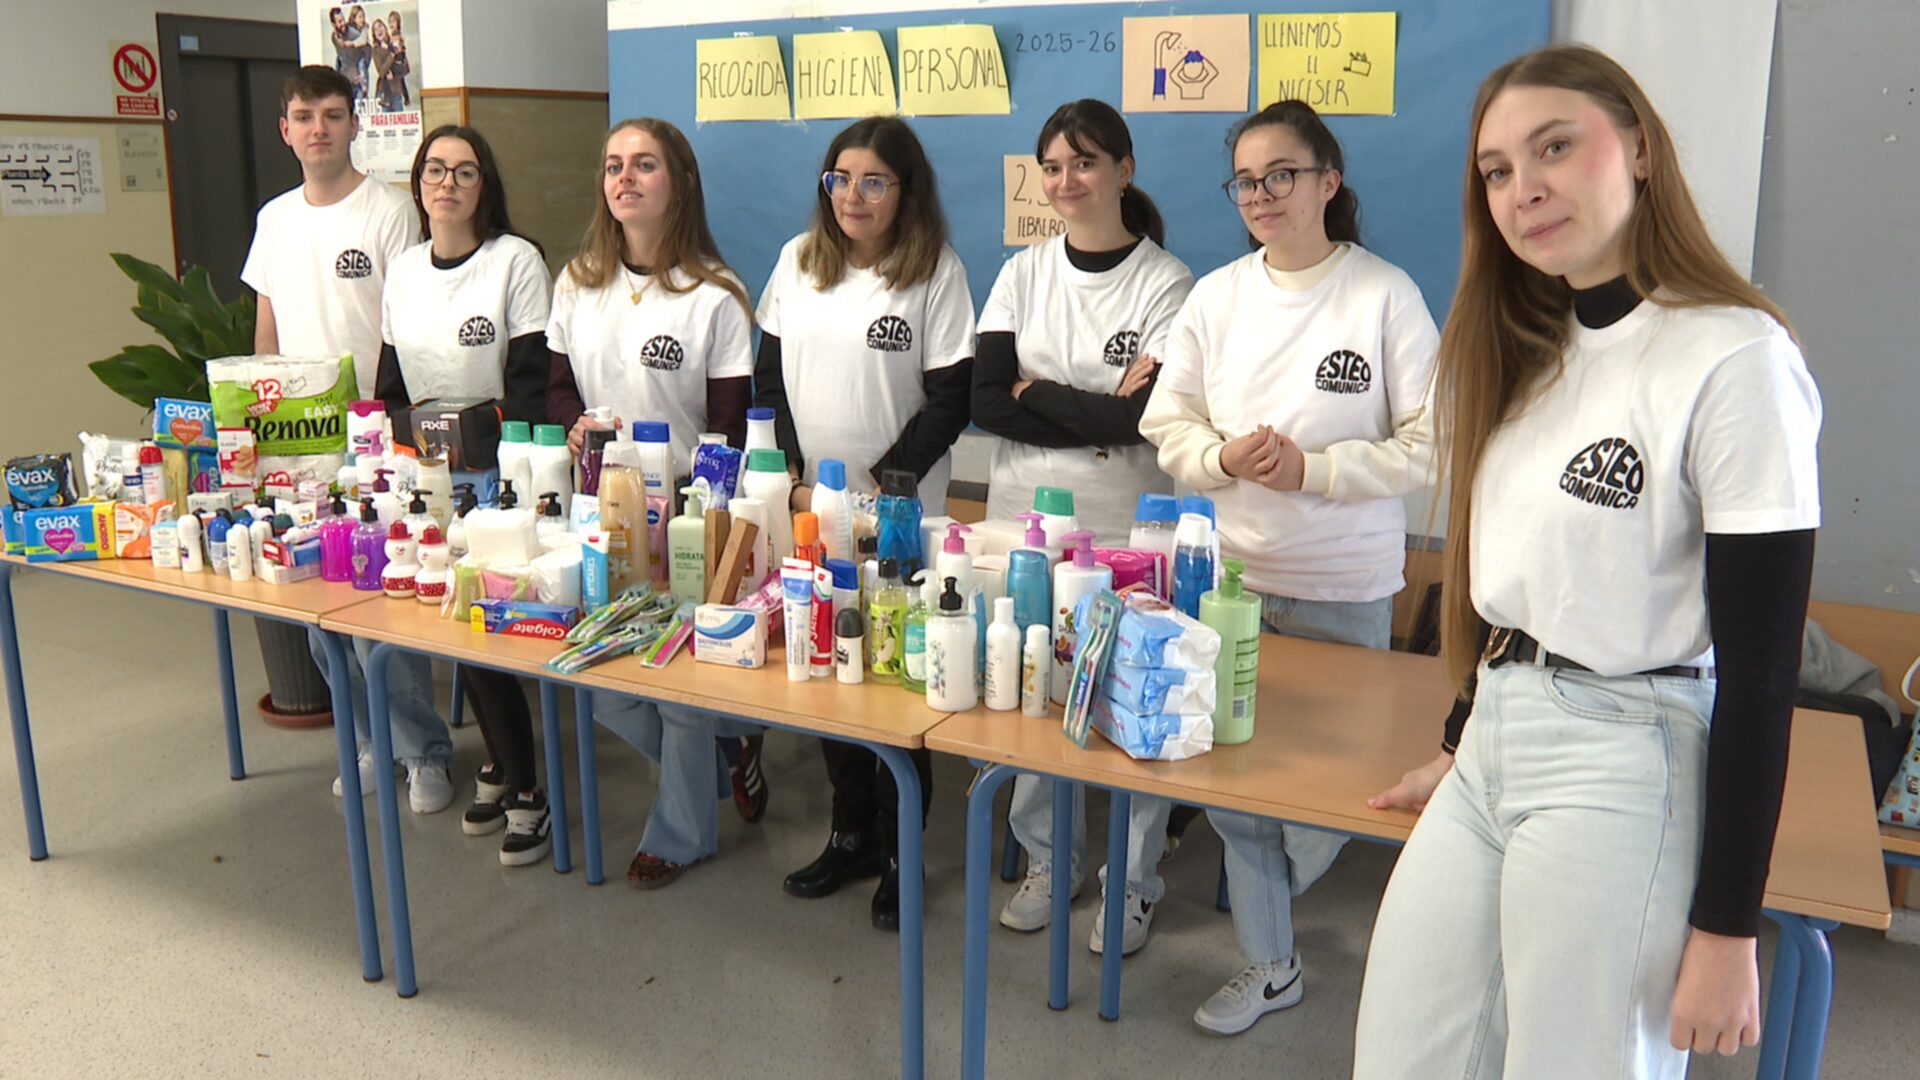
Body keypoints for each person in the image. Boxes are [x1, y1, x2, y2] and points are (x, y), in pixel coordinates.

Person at [1353, 45, 1820, 1077]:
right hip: (1495, 749)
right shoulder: (1526, 348)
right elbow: (1525, 592)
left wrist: (1727, 927)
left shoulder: (1733, 355)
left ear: (1641, 149)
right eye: (1497, 171)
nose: (1525, 190)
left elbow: (1762, 672)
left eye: (1554, 147)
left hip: (1625, 756)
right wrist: (1469, 735)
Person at [1139, 99, 1440, 1035]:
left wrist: (1315, 470)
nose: (1261, 194)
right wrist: (1221, 460)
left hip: (1344, 587)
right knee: (1236, 788)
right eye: (1246, 180)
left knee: (1331, 799)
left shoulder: (1384, 294)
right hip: (1229, 580)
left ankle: (1274, 888)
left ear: (1328, 180)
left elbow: (1433, 443)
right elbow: (1166, 420)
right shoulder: (1218, 296)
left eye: (1282, 175)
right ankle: (1274, 965)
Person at [970, 99, 1194, 955]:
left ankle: (1132, 883)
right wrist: (1095, 409)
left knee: (1133, 702)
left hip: (1127, 529)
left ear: (1125, 170)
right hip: (1023, 524)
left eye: (1086, 163)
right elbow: (989, 402)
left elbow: (1142, 425)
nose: (1067, 182)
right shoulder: (1022, 274)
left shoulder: (1169, 283)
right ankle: (1046, 858)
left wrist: (1046, 396)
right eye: (1053, 167)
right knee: (1033, 692)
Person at [757, 116, 974, 931]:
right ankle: (848, 832)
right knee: (828, 672)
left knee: (894, 687)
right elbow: (770, 378)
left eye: (874, 180)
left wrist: (884, 490)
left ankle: (898, 853)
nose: (853, 195)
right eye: (839, 178)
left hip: (900, 518)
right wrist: (794, 480)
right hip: (815, 515)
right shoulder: (796, 262)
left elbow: (950, 399)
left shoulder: (935, 274)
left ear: (904, 192)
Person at [545, 117, 766, 888]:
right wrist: (572, 426)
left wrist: (702, 516)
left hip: (682, 516)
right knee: (588, 663)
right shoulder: (577, 280)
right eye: (613, 165)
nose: (625, 178)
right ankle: (724, 747)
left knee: (675, 682)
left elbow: (730, 427)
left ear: (681, 182)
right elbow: (558, 385)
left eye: (644, 164)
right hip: (597, 510)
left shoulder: (716, 297)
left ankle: (678, 833)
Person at [241, 66, 453, 814]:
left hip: (374, 446)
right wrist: (253, 428)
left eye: (333, 114)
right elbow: (266, 327)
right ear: (286, 129)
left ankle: (425, 751)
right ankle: (372, 743)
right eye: (305, 116)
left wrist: (396, 428)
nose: (319, 128)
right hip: (294, 451)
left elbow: (409, 323)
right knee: (317, 611)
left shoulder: (390, 212)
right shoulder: (274, 220)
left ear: (354, 123)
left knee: (382, 613)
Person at [373, 125, 554, 865]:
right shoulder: (405, 270)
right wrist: (425, 440)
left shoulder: (516, 261)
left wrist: (464, 435)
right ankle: (505, 763)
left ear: (486, 186)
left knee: (481, 627)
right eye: (435, 170)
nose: (447, 183)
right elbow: (389, 392)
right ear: (418, 184)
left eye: (465, 171)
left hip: (507, 479)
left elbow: (534, 388)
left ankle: (528, 787)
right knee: (453, 627)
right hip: (430, 480)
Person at [369, 19, 403, 114]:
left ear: (385, 27)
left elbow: (404, 68)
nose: (378, 30)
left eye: (380, 26)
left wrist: (395, 73)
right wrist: (391, 55)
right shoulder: (376, 50)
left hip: (396, 92)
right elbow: (382, 72)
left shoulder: (396, 43)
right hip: (383, 93)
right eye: (375, 29)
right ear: (374, 35)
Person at [386, 13, 410, 107]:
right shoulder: (393, 35)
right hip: (398, 61)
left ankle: (404, 98)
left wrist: (388, 47)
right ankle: (405, 98)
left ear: (398, 23)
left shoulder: (397, 36)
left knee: (399, 81)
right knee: (401, 81)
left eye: (394, 21)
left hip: (399, 62)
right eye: (390, 21)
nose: (391, 23)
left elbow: (397, 49)